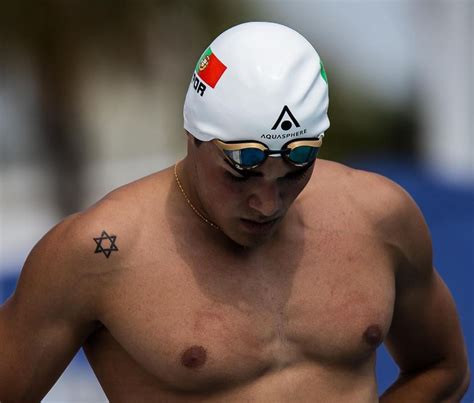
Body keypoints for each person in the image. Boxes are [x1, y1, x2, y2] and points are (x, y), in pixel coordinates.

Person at [0, 22, 469, 402]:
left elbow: (442, 369)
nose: (268, 204)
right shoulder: (99, 252)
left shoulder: (378, 215)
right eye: (240, 174)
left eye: (293, 173)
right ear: (192, 136)